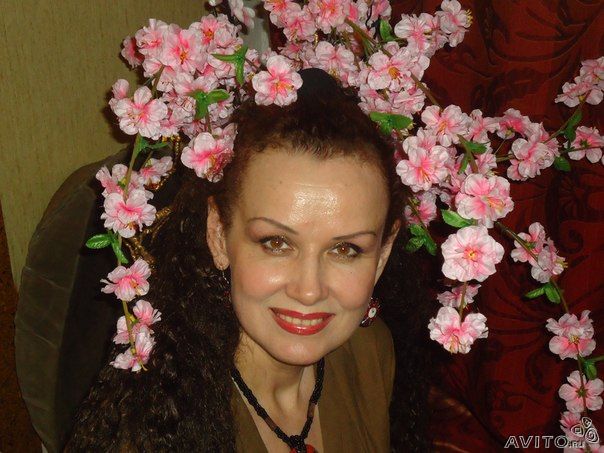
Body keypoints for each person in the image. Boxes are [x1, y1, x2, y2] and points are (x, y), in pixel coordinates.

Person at [65, 69, 434, 452]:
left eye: (345, 250)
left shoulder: (369, 353)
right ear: (218, 235)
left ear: (383, 253)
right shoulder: (152, 425)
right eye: (276, 243)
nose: (309, 290)